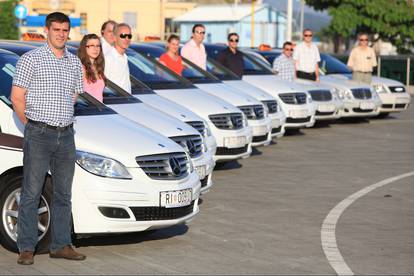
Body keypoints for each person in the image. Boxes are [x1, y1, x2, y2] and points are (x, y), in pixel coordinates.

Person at [10, 12, 86, 265]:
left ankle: (61, 244)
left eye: (65, 30)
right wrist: (31, 125)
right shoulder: (31, 59)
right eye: (57, 30)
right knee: (32, 192)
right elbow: (17, 97)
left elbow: (73, 96)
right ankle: (26, 247)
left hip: (66, 135)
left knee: (64, 194)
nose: (61, 34)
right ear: (47, 30)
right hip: (39, 133)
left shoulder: (75, 63)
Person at [104, 23, 132, 93]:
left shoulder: (125, 57)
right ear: (114, 38)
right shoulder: (108, 58)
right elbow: (103, 86)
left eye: (129, 36)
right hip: (114, 102)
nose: (127, 39)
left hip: (127, 101)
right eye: (123, 36)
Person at [78, 33, 105, 102]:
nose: (95, 49)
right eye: (92, 45)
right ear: (84, 47)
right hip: (88, 110)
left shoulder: (98, 68)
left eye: (98, 46)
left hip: (100, 110)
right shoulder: (81, 68)